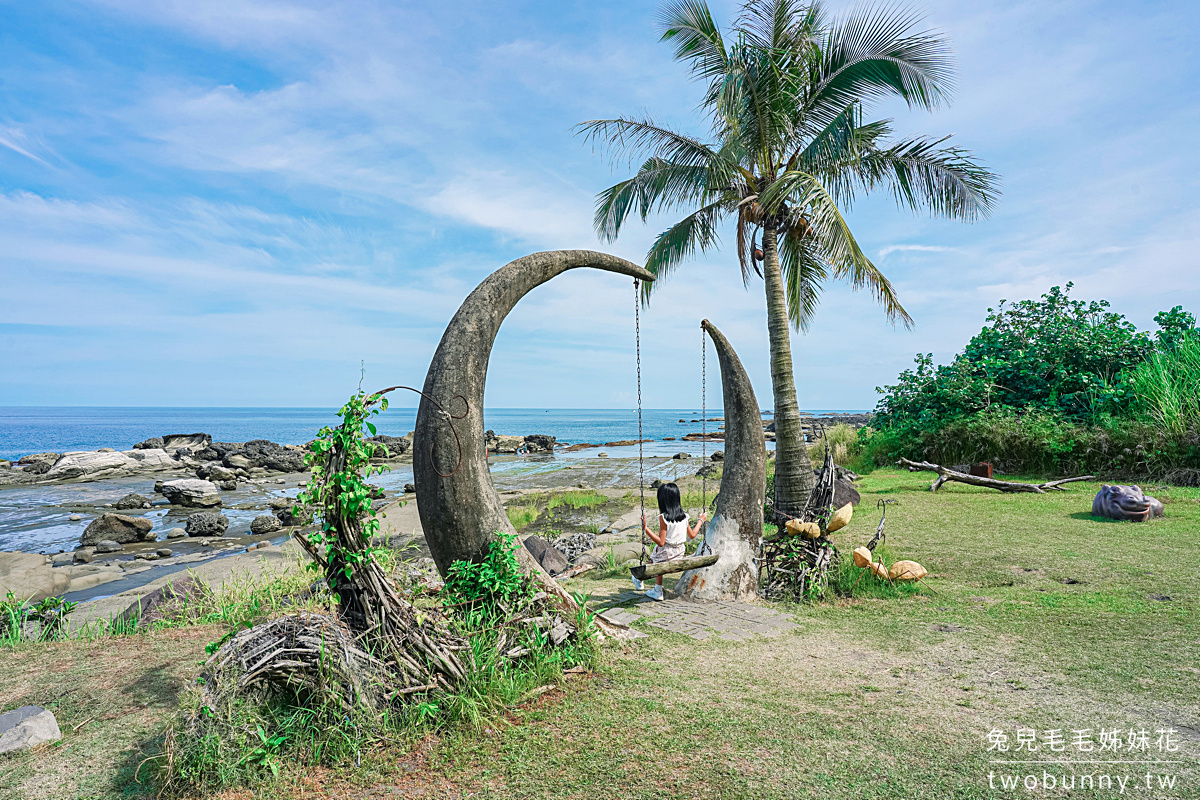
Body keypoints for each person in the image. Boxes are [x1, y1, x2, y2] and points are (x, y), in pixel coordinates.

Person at [633, 482, 706, 601]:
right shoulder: (684, 516)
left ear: (662, 501)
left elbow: (661, 542)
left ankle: (654, 588)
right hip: (679, 552)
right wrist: (700, 520)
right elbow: (692, 535)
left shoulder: (663, 518)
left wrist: (645, 528)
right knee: (657, 557)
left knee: (657, 556)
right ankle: (642, 581)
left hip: (665, 554)